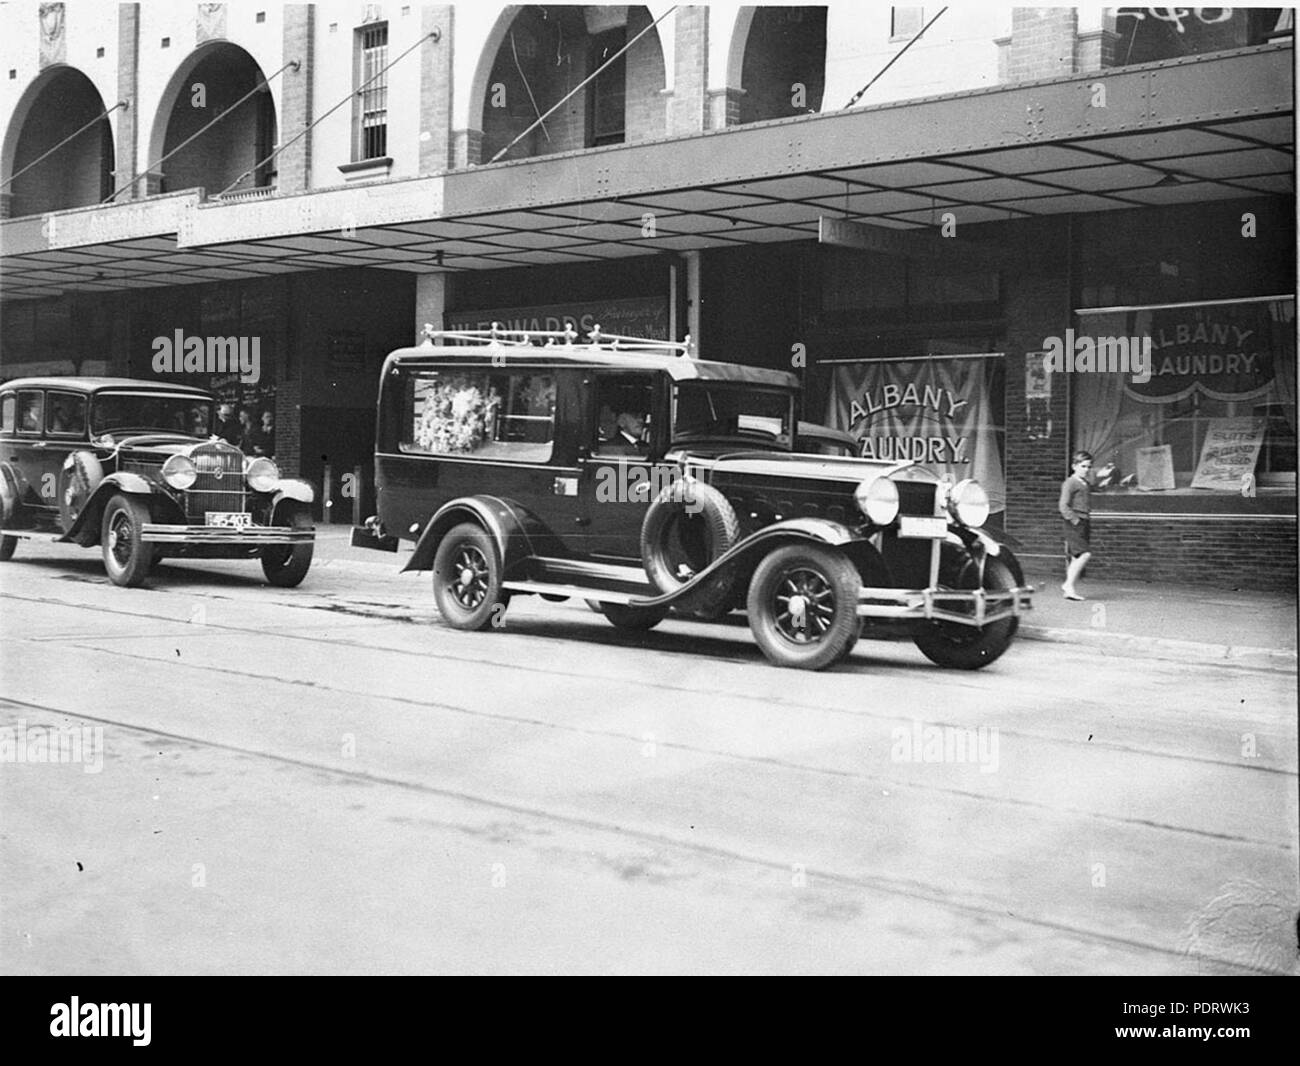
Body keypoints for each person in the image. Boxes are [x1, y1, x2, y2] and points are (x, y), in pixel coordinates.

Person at [1059, 450, 1113, 600]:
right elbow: (1063, 506)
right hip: (1074, 523)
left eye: (1089, 467)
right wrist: (1075, 520)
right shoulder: (1070, 483)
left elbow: (1094, 489)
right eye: (1083, 466)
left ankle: (1069, 589)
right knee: (1085, 554)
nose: (1086, 469)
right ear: (1074, 466)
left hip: (1084, 521)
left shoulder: (1085, 483)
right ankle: (1068, 585)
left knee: (1076, 557)